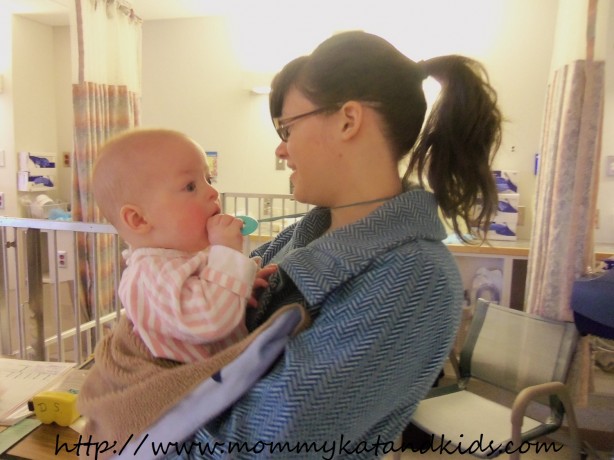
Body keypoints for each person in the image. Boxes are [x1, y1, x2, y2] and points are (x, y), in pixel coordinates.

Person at [124, 31, 502, 458]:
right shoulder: (303, 235)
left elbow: (262, 447)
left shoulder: (416, 280)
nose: (281, 148)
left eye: (288, 127)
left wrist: (139, 409)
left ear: (348, 120)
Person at [91, 128, 263, 362]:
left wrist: (242, 287)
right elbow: (209, 320)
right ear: (140, 219)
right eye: (190, 187)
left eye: (208, 180)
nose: (213, 192)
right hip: (194, 391)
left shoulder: (182, 259)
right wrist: (227, 253)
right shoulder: (151, 273)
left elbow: (207, 294)